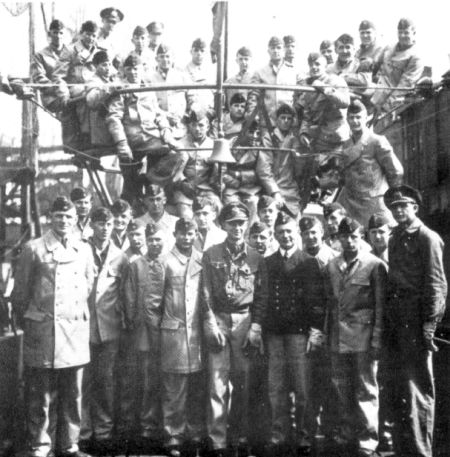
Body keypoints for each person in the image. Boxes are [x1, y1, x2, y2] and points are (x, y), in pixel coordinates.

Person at [11, 196, 94, 457]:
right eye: (59, 216)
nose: (64, 221)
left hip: (74, 331)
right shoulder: (33, 249)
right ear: (51, 218)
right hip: (44, 330)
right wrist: (36, 317)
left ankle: (70, 445)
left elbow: (88, 285)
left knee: (73, 394)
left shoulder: (84, 249)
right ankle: (40, 445)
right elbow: (20, 294)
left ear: (76, 220)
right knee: (40, 394)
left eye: (69, 217)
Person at [384, 185, 447, 457]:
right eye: (394, 207)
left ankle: (421, 452)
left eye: (403, 206)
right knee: (399, 388)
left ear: (415, 208)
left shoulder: (427, 238)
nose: (398, 210)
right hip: (396, 322)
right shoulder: (395, 237)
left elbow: (436, 286)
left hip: (416, 321)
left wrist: (429, 326)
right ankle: (403, 449)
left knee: (419, 390)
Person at [201, 202, 268, 457]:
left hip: (244, 322)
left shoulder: (255, 257)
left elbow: (261, 296)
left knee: (243, 381)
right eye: (232, 223)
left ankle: (239, 435)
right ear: (223, 225)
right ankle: (217, 440)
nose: (237, 228)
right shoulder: (211, 254)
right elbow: (205, 292)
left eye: (241, 223)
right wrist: (210, 325)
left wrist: (256, 327)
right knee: (217, 384)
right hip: (219, 320)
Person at [326, 217, 387, 457]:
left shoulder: (374, 265)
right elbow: (330, 303)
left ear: (361, 237)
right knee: (342, 387)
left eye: (354, 237)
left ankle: (368, 440)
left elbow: (381, 306)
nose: (350, 242)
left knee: (366, 390)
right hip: (338, 338)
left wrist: (377, 339)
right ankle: (347, 433)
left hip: (363, 337)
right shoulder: (331, 266)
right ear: (338, 239)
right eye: (345, 237)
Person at [264, 212, 321, 456]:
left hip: (299, 334)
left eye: (289, 231)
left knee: (302, 388)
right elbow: (264, 297)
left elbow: (317, 301)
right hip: (275, 334)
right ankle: (279, 435)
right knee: (276, 388)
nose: (285, 236)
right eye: (280, 232)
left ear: (296, 234)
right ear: (275, 235)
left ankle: (305, 437)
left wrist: (315, 331)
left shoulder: (308, 262)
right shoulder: (268, 262)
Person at [80, 207, 128, 454]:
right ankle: (84, 431)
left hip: (109, 330)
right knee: (83, 382)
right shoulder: (80, 250)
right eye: (100, 224)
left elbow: (124, 294)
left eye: (108, 224)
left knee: (106, 381)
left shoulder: (120, 257)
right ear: (92, 225)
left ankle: (104, 432)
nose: (105, 228)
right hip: (82, 328)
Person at [160, 218, 205, 456]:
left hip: (197, 334)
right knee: (174, 390)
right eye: (182, 234)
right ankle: (173, 437)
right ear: (175, 234)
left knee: (197, 388)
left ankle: (194, 434)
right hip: (173, 335)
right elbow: (153, 303)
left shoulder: (202, 259)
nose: (187, 238)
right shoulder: (164, 261)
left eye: (191, 234)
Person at [122, 222, 166, 454]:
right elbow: (129, 298)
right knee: (143, 380)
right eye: (151, 240)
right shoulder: (135, 265)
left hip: (166, 332)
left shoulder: (169, 263)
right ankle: (143, 428)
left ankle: (160, 427)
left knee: (163, 381)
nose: (154, 243)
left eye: (158, 239)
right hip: (142, 333)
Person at [299, 216, 339, 446]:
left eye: (314, 232)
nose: (310, 237)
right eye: (306, 234)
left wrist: (324, 330)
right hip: (305, 331)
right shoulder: (299, 260)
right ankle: (307, 434)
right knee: (308, 385)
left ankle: (332, 433)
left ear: (322, 232)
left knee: (332, 382)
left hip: (332, 330)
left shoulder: (334, 260)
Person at [336, 99, 403, 226]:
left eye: (358, 117)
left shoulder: (376, 141)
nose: (355, 121)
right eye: (351, 118)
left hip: (374, 202)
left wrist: (391, 194)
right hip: (352, 202)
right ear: (347, 119)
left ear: (366, 118)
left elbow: (396, 171)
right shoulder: (346, 145)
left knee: (382, 234)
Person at [296, 52, 350, 205]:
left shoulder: (336, 80)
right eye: (311, 65)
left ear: (325, 66)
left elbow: (345, 102)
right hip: (318, 137)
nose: (314, 67)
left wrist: (324, 88)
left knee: (336, 177)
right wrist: (303, 132)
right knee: (317, 175)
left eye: (318, 64)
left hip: (336, 136)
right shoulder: (308, 86)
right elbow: (307, 114)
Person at [53, 21, 100, 150]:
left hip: (96, 85)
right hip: (76, 86)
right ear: (81, 34)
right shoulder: (69, 50)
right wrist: (64, 94)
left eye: (94, 35)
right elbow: (58, 76)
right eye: (88, 34)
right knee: (85, 97)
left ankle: (103, 137)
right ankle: (86, 136)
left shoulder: (99, 51)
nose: (90, 38)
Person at [372, 18, 424, 112]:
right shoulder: (389, 48)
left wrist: (385, 108)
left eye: (406, 32)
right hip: (373, 94)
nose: (402, 36)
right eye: (400, 32)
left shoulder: (416, 58)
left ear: (414, 33)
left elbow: (403, 87)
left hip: (389, 103)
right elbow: (374, 67)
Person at [258, 104, 301, 216]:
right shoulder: (269, 138)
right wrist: (275, 193)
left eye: (289, 118)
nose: (286, 121)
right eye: (283, 118)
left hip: (291, 189)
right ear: (277, 120)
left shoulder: (294, 139)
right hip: (274, 188)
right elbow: (264, 170)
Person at [174, 106, 217, 218]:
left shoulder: (213, 145)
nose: (197, 129)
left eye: (201, 125)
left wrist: (214, 181)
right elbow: (174, 170)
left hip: (205, 189)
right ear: (189, 126)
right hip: (184, 189)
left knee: (217, 210)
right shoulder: (180, 144)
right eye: (194, 125)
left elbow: (218, 171)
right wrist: (183, 183)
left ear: (208, 127)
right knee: (186, 215)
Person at [248, 36, 297, 127]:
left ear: (283, 50)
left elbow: (301, 95)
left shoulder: (294, 72)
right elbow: (253, 96)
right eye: (273, 48)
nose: (275, 51)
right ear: (268, 51)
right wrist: (253, 115)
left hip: (289, 122)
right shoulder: (260, 73)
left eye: (279, 48)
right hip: (267, 122)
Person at [149, 44, 189, 138]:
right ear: (156, 59)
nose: (165, 59)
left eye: (168, 56)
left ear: (173, 58)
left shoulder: (182, 77)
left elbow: (191, 97)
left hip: (181, 123)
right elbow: (150, 104)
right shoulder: (150, 79)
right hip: (159, 124)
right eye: (162, 56)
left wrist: (182, 115)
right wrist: (166, 115)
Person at [31, 19, 71, 111]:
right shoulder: (40, 55)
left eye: (61, 33)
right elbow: (39, 78)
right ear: (49, 34)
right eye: (55, 33)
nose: (58, 36)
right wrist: (60, 89)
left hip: (70, 94)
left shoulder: (71, 52)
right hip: (52, 98)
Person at [85, 50, 118, 148]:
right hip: (101, 124)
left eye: (109, 64)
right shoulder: (92, 80)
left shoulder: (112, 79)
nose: (108, 68)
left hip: (113, 120)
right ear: (95, 66)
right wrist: (109, 88)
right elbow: (91, 101)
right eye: (104, 65)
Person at [137, 184, 178, 254]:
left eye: (158, 199)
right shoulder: (138, 223)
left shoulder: (175, 222)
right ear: (145, 201)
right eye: (151, 200)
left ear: (164, 200)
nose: (155, 203)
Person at [184, 38, 214, 109]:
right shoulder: (185, 71)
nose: (199, 53)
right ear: (191, 52)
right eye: (196, 50)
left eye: (202, 51)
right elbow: (187, 96)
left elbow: (215, 93)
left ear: (206, 53)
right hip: (193, 109)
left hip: (210, 109)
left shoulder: (210, 71)